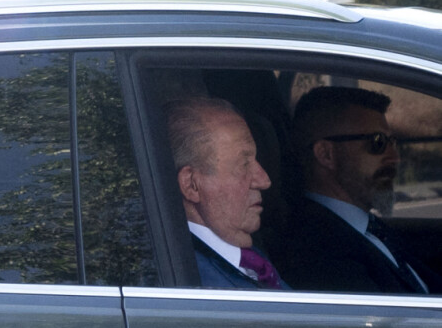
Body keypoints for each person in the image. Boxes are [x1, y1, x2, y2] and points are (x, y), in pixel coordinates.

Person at [279, 86, 442, 294]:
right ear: (326, 154)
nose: (395, 157)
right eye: (377, 142)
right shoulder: (319, 252)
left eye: (392, 142)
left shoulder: (368, 228)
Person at [165, 97, 289, 290]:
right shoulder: (200, 284)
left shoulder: (246, 258)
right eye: (243, 165)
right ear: (191, 185)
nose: (264, 181)